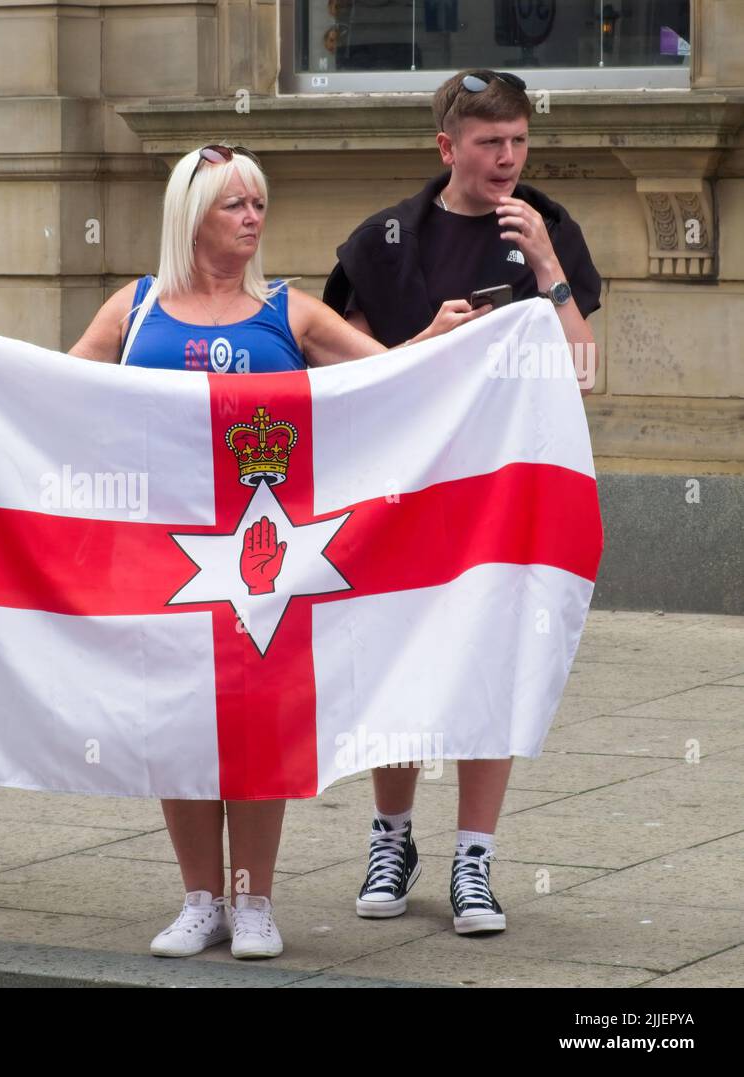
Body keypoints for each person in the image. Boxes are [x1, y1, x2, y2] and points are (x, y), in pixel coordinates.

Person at [66, 144, 486, 959]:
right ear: (191, 215)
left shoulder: (290, 312)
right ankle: (199, 899)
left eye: (259, 203)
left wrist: (435, 338)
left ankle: (253, 899)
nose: (253, 218)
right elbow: (56, 391)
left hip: (268, 561)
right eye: (235, 205)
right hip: (161, 555)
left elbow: (388, 384)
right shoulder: (135, 308)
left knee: (258, 727)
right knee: (178, 724)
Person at [322, 69, 603, 936]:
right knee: (401, 657)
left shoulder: (551, 228)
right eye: (490, 143)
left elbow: (584, 371)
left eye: (519, 140)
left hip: (507, 497)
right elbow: (342, 376)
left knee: (491, 657)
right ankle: (392, 836)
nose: (509, 158)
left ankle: (475, 855)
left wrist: (550, 271)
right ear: (448, 147)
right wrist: (426, 341)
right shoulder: (387, 240)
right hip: (406, 492)